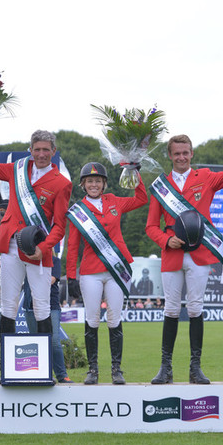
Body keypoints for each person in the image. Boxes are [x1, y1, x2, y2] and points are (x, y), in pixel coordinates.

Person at [148, 134, 223, 384]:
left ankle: (196, 369)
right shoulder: (160, 186)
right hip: (172, 253)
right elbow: (151, 226)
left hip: (199, 253)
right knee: (171, 309)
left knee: (196, 308)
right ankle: (166, 368)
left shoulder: (205, 177)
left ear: (192, 153)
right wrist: (165, 240)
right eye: (177, 153)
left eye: (186, 153)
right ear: (170, 156)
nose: (182, 157)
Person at [0, 129, 72, 339]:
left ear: (53, 151)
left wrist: (43, 249)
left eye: (46, 150)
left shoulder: (62, 184)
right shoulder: (17, 170)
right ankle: (7, 367)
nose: (41, 154)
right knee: (8, 304)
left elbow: (59, 226)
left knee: (41, 305)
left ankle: (43, 367)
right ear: (30, 150)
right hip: (10, 245)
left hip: (39, 249)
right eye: (37, 149)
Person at [66, 162, 148, 385]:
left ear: (104, 183)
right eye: (90, 181)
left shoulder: (114, 201)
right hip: (90, 272)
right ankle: (92, 370)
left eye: (98, 181)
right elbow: (72, 246)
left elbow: (142, 199)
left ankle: (116, 369)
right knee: (92, 318)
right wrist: (71, 276)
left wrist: (135, 173)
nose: (94, 184)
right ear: (83, 184)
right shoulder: (77, 211)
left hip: (116, 270)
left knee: (114, 318)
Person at [24, 254, 72, 383]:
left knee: (54, 340)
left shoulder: (54, 261)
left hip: (51, 306)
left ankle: (62, 375)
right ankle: (40, 374)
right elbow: (3, 267)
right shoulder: (25, 261)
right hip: (30, 306)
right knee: (36, 342)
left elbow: (51, 280)